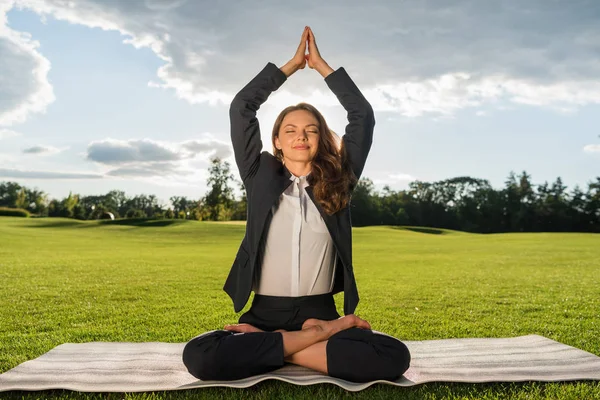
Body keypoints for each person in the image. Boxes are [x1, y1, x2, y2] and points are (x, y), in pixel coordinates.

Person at [182, 26, 410, 383]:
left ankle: (276, 347)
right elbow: (242, 107)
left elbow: (362, 115)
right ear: (276, 140)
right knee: (198, 356)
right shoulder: (258, 173)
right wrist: (290, 67)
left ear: (322, 138)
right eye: (290, 130)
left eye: (311, 129)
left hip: (320, 308)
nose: (300, 136)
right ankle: (314, 340)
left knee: (393, 356)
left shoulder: (340, 178)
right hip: (264, 313)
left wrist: (321, 67)